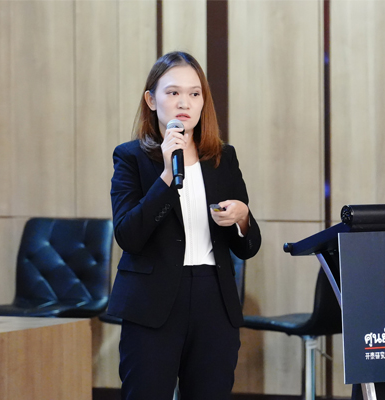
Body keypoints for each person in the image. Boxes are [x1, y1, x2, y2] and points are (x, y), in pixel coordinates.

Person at [106, 51, 262, 400]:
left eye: (194, 93)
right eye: (173, 92)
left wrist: (242, 218)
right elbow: (128, 235)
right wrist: (166, 175)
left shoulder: (223, 157)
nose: (184, 103)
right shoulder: (130, 157)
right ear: (151, 100)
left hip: (213, 299)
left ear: (203, 102)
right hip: (153, 302)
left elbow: (248, 247)